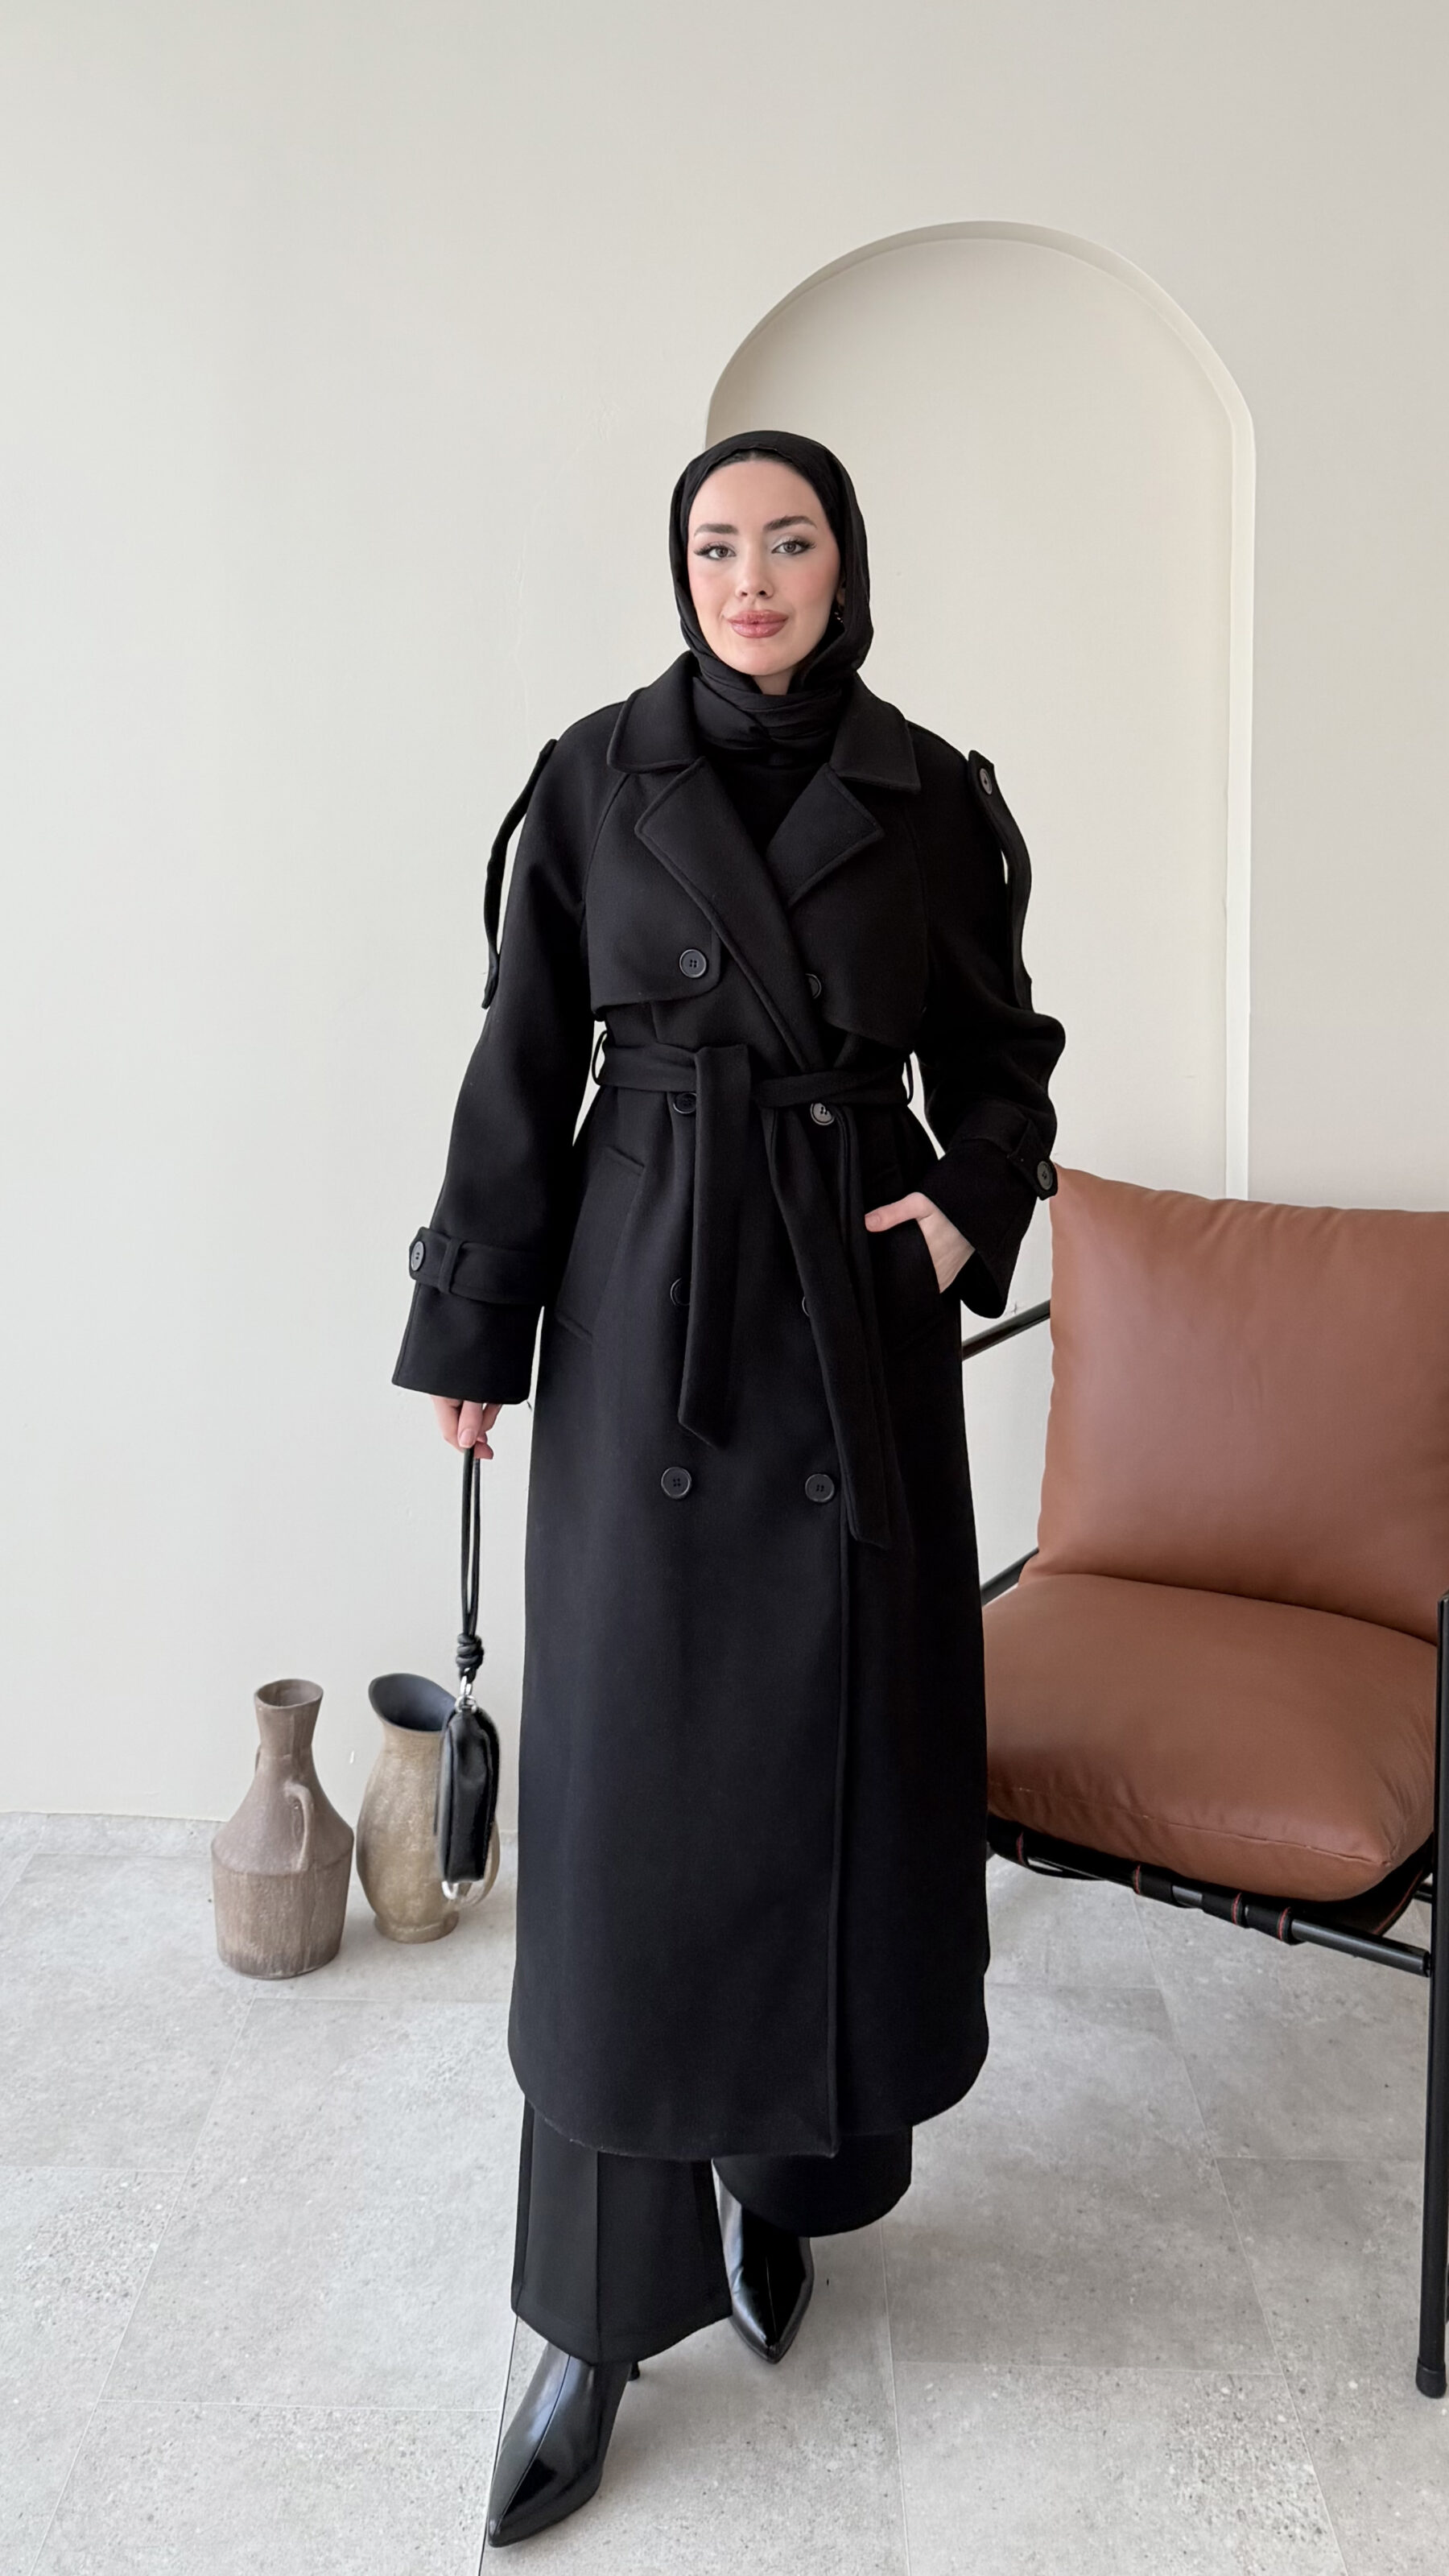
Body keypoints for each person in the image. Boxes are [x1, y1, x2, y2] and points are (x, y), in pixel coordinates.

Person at [392, 429, 1065, 2545]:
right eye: (715, 545)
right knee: (624, 1819)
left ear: (845, 564)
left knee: (831, 1773)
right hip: (647, 1315)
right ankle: (590, 2319)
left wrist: (961, 1216)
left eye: (789, 541)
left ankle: (792, 2175)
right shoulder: (594, 777)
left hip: (851, 1332)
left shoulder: (929, 792)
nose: (749, 576)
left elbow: (1006, 1061)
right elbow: (522, 1062)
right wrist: (475, 1331)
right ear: (678, 571)